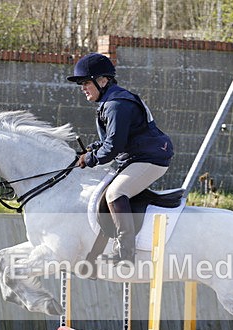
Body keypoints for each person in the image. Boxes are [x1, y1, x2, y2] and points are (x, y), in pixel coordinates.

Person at [67, 52, 174, 264]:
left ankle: (126, 253)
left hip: (151, 158)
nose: (83, 89)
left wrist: (91, 159)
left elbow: (113, 147)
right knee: (105, 192)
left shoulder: (116, 104)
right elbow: (112, 140)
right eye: (81, 84)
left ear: (102, 80)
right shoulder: (110, 101)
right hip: (137, 156)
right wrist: (90, 150)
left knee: (116, 193)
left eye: (86, 83)